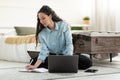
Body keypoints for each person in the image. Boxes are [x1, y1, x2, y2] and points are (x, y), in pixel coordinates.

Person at [26, 5, 92, 70]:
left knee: (87, 62)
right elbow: (44, 51)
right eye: (40, 19)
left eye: (43, 18)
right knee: (34, 61)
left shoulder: (64, 25)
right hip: (53, 57)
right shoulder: (42, 34)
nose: (42, 21)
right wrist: (35, 66)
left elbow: (69, 43)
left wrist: (68, 58)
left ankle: (59, 65)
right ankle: (62, 66)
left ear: (50, 16)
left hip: (66, 55)